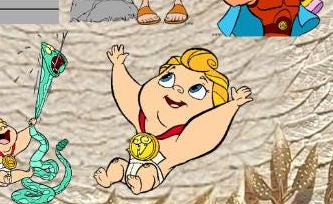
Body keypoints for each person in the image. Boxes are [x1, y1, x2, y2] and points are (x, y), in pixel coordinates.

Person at [94, 46, 252, 194]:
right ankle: (109, 179)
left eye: (196, 89)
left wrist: (233, 105)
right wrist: (118, 66)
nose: (178, 89)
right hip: (130, 165)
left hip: (154, 171)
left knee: (148, 172)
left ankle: (140, 185)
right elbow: (127, 93)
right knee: (117, 164)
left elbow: (209, 128)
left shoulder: (181, 139)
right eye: (168, 78)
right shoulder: (141, 118)